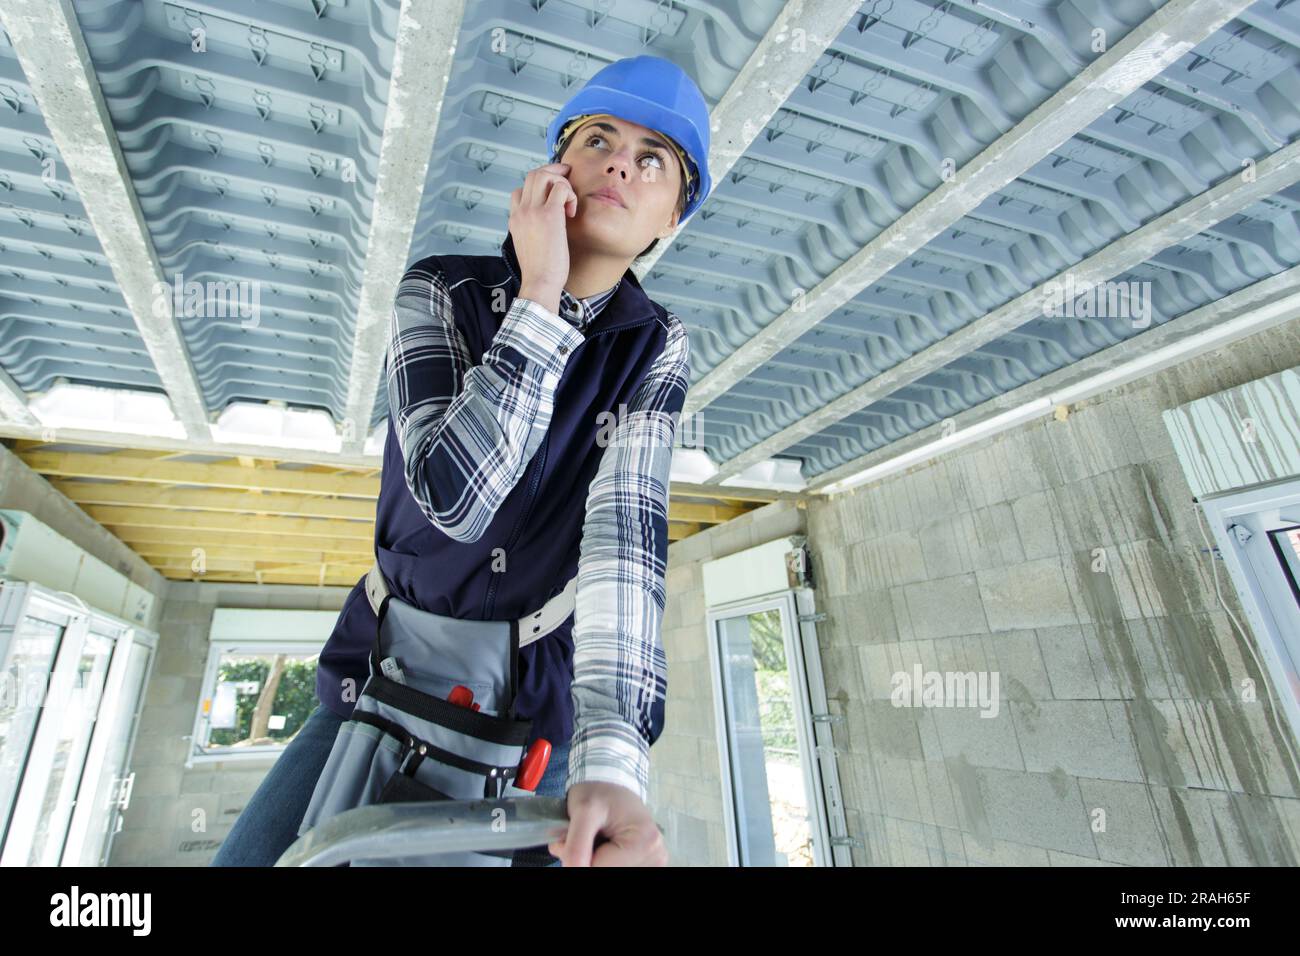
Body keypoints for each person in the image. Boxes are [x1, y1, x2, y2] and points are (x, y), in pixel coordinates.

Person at [211, 54, 712, 868]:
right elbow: (455, 495)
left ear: (671, 221)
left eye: (653, 159)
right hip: (376, 679)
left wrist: (616, 762)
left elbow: (626, 543)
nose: (621, 161)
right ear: (554, 171)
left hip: (529, 715)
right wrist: (541, 294)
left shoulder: (655, 346)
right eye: (599, 139)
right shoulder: (440, 289)